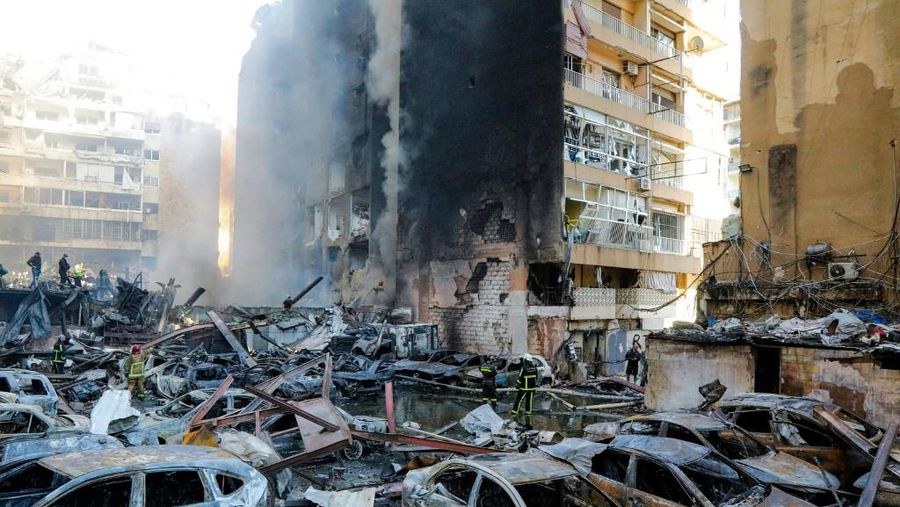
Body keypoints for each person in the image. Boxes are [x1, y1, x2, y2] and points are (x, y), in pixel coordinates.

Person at [511, 353, 538, 429]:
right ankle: (528, 413)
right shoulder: (534, 368)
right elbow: (536, 377)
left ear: (525, 360)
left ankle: (514, 412)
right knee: (529, 401)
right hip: (532, 388)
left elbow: (520, 378)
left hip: (524, 388)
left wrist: (517, 385)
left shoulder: (524, 368)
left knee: (519, 400)